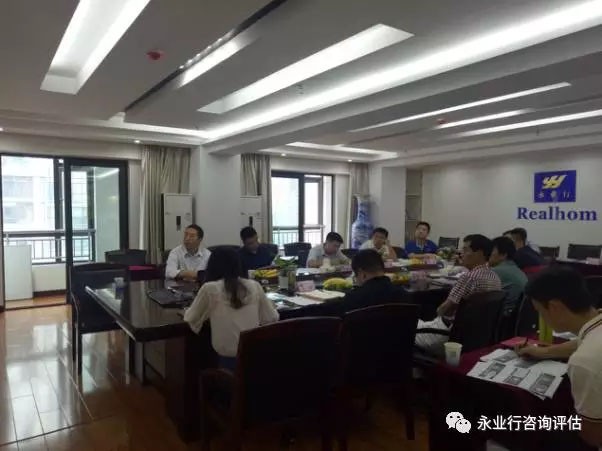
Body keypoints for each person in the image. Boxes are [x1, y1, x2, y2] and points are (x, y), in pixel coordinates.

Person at [517, 267, 602, 449]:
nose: (541, 317)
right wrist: (544, 352)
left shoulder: (584, 361)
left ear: (554, 307)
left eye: (540, 311)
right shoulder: (596, 328)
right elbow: (582, 341)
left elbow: (593, 436)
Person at [184, 247, 279, 370]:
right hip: (255, 356)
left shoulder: (210, 288)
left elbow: (191, 318)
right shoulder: (254, 285)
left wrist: (189, 310)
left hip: (228, 361)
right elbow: (271, 318)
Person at [415, 234, 501, 352]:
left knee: (401, 327)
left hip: (448, 337)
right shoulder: (495, 277)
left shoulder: (469, 277)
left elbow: (442, 310)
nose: (461, 253)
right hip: (475, 339)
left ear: (479, 253)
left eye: (465, 250)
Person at [334, 249, 407, 315]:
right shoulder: (403, 294)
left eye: (355, 277)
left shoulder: (353, 298)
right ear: (382, 269)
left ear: (362, 274)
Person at [489, 236, 528, 308]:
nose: (487, 254)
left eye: (490, 250)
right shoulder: (516, 269)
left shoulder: (496, 271)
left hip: (505, 312)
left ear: (503, 255)